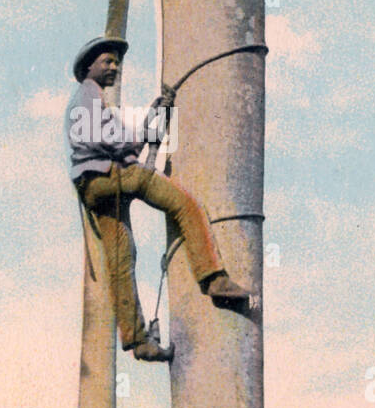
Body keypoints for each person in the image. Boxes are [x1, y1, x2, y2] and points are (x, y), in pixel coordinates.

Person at [66, 35, 253, 363]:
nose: (113, 67)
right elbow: (106, 138)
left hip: (95, 187)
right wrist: (142, 137)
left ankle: (139, 341)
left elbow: (116, 139)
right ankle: (213, 278)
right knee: (185, 204)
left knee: (121, 260)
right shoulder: (88, 95)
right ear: (88, 67)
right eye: (106, 62)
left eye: (115, 62)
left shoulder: (89, 98)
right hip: (112, 176)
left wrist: (147, 124)